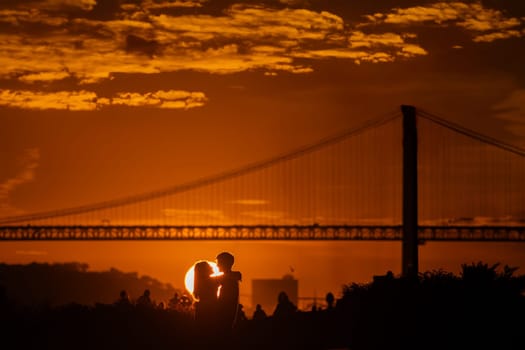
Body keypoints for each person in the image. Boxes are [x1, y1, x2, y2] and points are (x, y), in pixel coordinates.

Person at [215, 251, 242, 333]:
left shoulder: (228, 280)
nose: (217, 265)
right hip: (228, 316)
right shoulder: (231, 278)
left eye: (219, 262)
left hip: (225, 316)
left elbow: (225, 302)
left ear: (224, 263)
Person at [193, 260, 220, 330]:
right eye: (209, 266)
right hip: (209, 310)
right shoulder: (209, 281)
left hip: (202, 310)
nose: (212, 267)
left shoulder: (202, 282)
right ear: (204, 270)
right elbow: (224, 278)